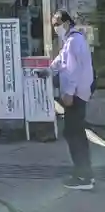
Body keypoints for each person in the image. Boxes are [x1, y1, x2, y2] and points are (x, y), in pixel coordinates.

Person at [39, 10, 95, 190]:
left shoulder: (73, 42)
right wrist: (49, 70)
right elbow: (60, 61)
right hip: (79, 93)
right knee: (75, 132)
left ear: (66, 23)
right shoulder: (72, 41)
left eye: (57, 24)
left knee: (73, 134)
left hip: (76, 94)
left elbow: (72, 71)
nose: (55, 28)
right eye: (54, 24)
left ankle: (83, 177)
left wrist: (68, 93)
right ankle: (85, 174)